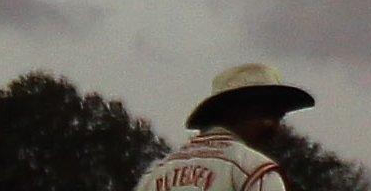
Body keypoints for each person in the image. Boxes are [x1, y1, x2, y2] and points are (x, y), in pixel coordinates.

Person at [133, 63, 313, 191]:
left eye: (278, 116)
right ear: (235, 111)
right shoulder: (255, 169)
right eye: (267, 114)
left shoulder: (154, 174)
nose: (275, 127)